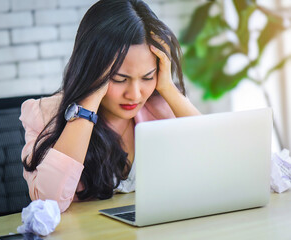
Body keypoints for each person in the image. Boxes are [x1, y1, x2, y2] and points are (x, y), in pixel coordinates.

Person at [19, 0, 201, 213]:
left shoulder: (162, 106)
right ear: (94, 70)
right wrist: (89, 99)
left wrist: (168, 88)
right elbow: (49, 203)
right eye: (119, 79)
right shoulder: (43, 114)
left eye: (147, 77)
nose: (134, 94)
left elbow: (214, 165)